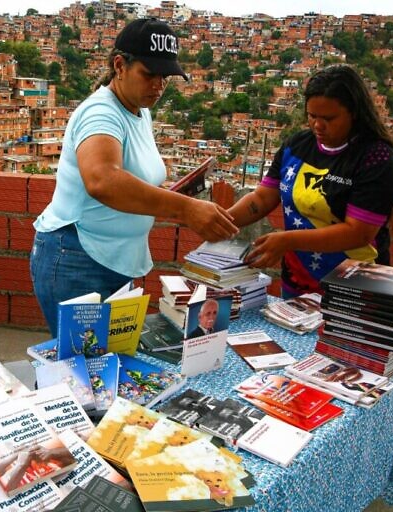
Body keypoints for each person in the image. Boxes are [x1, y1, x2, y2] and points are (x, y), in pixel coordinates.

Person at [31, 17, 238, 336]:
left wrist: (173, 195)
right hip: (78, 257)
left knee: (107, 367)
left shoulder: (140, 110)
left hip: (115, 259)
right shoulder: (101, 112)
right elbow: (102, 179)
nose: (158, 85)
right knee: (79, 370)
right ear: (120, 65)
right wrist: (184, 208)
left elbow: (134, 176)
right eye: (149, 74)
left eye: (164, 76)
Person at [227, 64, 393, 297]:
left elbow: (357, 233)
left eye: (329, 118)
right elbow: (263, 197)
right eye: (312, 116)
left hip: (353, 289)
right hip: (298, 281)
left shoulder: (375, 158)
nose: (318, 125)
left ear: (354, 112)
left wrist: (287, 240)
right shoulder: (298, 146)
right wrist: (224, 220)